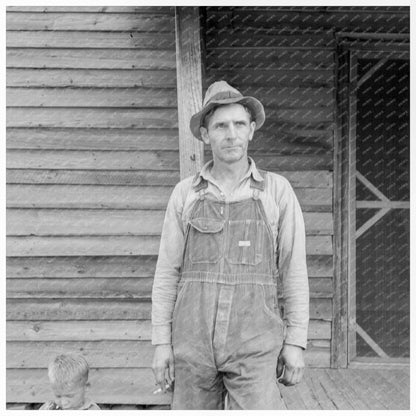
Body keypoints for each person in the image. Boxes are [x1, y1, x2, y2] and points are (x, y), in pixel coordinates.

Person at [151, 80, 309, 410]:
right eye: (221, 126)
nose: (231, 134)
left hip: (255, 345)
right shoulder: (187, 194)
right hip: (192, 346)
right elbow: (167, 273)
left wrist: (295, 341)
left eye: (239, 124)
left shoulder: (276, 192)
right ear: (205, 135)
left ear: (252, 130)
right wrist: (161, 343)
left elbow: (293, 272)